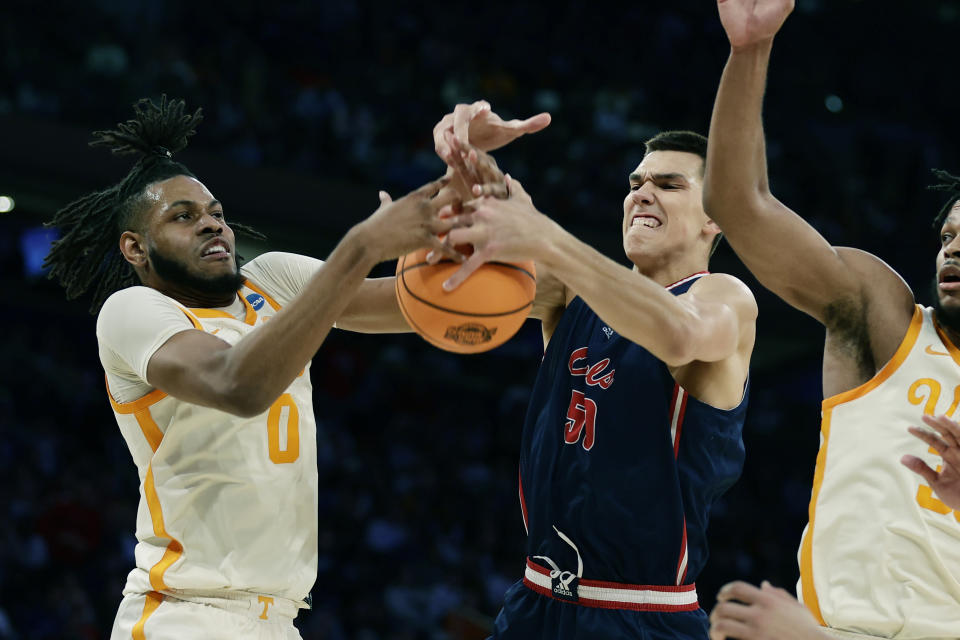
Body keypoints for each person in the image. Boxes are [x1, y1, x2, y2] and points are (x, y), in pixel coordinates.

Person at [43, 96, 462, 640]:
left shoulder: (272, 279)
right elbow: (237, 384)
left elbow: (419, 305)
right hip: (185, 613)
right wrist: (360, 246)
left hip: (279, 619)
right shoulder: (134, 312)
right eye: (183, 216)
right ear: (135, 248)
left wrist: (486, 224)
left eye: (216, 213)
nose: (211, 225)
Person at [434, 109, 758, 639]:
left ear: (715, 216)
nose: (642, 193)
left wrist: (545, 237)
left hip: (644, 615)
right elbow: (421, 303)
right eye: (636, 183)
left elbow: (679, 334)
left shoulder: (723, 297)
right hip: (534, 603)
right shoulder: (570, 291)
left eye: (669, 184)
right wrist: (460, 173)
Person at [703, 1, 960, 637]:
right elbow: (740, 205)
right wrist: (749, 51)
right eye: (949, 234)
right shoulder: (886, 321)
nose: (953, 248)